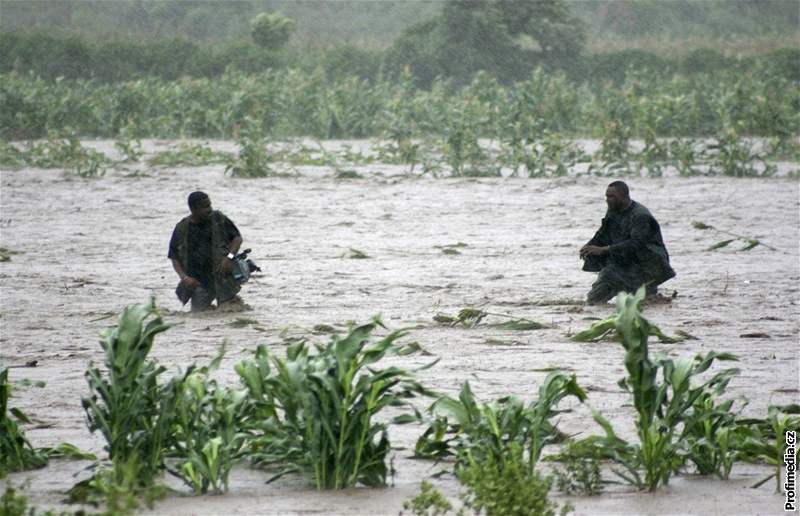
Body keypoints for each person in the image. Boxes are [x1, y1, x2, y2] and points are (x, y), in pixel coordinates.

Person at [579, 181, 675, 304]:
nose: (607, 200)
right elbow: (603, 232)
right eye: (607, 196)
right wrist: (589, 246)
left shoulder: (640, 216)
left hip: (647, 265)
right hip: (624, 262)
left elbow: (636, 243)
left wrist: (604, 249)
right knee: (595, 299)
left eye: (611, 197)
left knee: (645, 302)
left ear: (624, 196)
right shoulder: (614, 210)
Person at [168, 191, 244, 311]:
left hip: (222, 276)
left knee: (230, 312)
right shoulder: (182, 228)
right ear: (193, 209)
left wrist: (229, 258)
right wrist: (184, 278)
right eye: (205, 206)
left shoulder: (219, 219)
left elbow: (237, 238)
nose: (209, 209)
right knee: (199, 316)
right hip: (199, 282)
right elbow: (174, 256)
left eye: (209, 205)